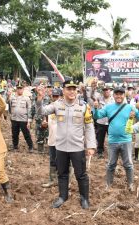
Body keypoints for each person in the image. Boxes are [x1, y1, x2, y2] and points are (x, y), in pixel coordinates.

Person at [35, 79, 96, 209]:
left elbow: (89, 126)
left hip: (77, 147)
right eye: (69, 89)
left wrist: (90, 146)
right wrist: (39, 99)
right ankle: (63, 196)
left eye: (74, 89)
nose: (72, 91)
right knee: (62, 174)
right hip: (61, 147)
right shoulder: (57, 104)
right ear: (63, 90)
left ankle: (84, 198)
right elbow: (42, 112)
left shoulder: (83, 106)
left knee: (81, 175)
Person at [93, 86, 139, 192]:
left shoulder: (129, 107)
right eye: (116, 94)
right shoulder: (108, 107)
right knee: (111, 164)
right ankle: (108, 185)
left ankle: (130, 184)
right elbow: (97, 116)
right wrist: (95, 108)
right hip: (112, 141)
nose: (119, 96)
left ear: (124, 95)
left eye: (121, 94)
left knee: (128, 164)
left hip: (126, 140)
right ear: (114, 95)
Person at [41, 88, 62, 188]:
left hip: (62, 140)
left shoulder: (63, 108)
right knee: (53, 161)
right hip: (52, 139)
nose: (56, 98)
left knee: (64, 161)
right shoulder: (49, 109)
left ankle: (65, 181)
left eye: (57, 96)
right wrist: (44, 124)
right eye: (54, 96)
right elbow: (44, 124)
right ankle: (53, 180)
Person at [9, 83, 33, 152]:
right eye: (18, 88)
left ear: (23, 90)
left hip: (23, 119)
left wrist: (29, 120)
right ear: (16, 89)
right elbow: (10, 107)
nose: (19, 90)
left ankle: (30, 146)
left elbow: (29, 109)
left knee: (26, 134)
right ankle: (15, 146)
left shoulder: (27, 98)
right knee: (15, 134)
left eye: (21, 88)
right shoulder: (12, 98)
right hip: (14, 119)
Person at [92, 84, 114, 159]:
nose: (106, 92)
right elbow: (91, 95)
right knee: (100, 138)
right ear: (102, 91)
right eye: (104, 90)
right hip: (101, 122)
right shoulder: (98, 99)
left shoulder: (113, 100)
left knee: (111, 138)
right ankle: (100, 151)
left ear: (110, 91)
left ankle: (112, 152)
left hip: (110, 122)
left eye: (107, 90)